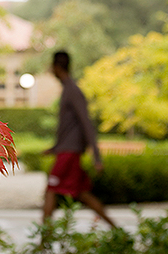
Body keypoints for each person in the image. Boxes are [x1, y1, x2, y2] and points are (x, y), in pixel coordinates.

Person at [42, 50, 116, 228]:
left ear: (56, 67)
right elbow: (70, 127)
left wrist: (96, 156)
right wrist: (55, 147)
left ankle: (43, 242)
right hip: (67, 151)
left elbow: (86, 123)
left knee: (51, 191)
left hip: (69, 155)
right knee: (83, 194)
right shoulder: (68, 89)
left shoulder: (73, 91)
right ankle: (117, 230)